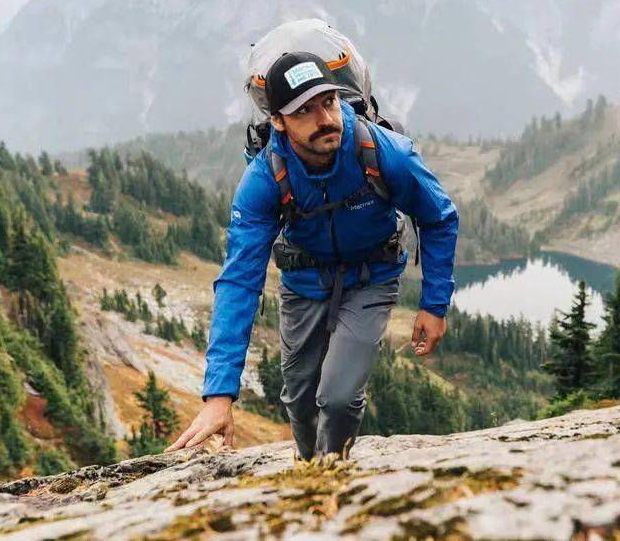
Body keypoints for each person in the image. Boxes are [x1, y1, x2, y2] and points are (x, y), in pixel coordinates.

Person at [167, 49, 458, 460]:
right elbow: (239, 281)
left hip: (370, 279)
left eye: (328, 101)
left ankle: (331, 477)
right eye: (305, 110)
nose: (325, 118)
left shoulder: (383, 152)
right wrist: (219, 395)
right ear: (278, 122)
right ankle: (311, 474)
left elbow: (439, 216)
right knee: (301, 403)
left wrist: (434, 304)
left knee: (337, 398)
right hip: (303, 285)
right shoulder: (265, 178)